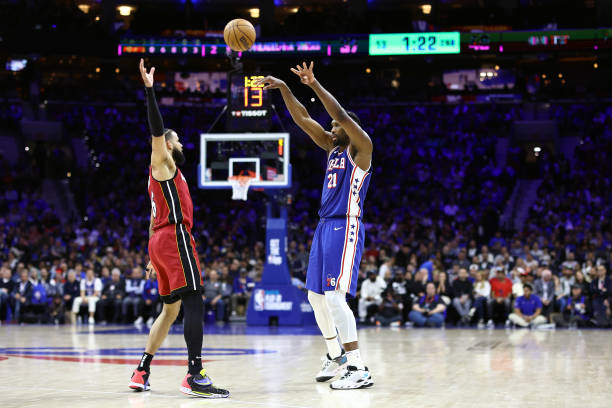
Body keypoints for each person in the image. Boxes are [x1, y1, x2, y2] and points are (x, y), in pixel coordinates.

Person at [255, 62, 374, 389]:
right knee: (315, 297)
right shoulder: (331, 147)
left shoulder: (360, 148)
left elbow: (339, 113)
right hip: (324, 226)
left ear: (348, 128)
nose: (330, 125)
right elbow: (302, 119)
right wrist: (284, 89)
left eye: (335, 124)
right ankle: (335, 354)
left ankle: (357, 367)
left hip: (345, 225)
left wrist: (314, 83)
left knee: (335, 297)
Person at [129, 59, 229, 398]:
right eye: (178, 139)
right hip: (173, 237)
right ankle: (194, 372)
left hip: (159, 240)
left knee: (170, 310)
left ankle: (142, 369)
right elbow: (156, 130)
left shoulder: (169, 177)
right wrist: (149, 91)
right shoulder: (164, 161)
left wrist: (150, 253)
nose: (182, 143)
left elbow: (149, 216)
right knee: (195, 300)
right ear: (168, 145)